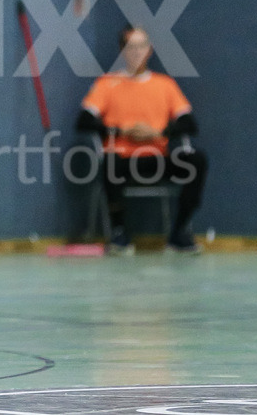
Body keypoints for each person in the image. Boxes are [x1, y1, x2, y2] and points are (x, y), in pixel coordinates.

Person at [76, 25, 208, 255]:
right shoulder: (107, 84)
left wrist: (157, 134)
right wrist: (121, 131)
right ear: (122, 50)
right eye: (130, 47)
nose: (136, 52)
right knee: (109, 163)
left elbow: (189, 124)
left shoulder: (164, 85)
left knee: (196, 160)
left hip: (158, 158)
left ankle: (179, 233)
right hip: (123, 159)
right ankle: (119, 234)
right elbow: (84, 121)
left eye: (141, 47)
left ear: (150, 51)